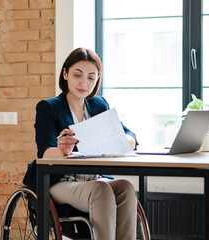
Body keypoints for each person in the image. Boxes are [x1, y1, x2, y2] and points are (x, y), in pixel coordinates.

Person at [23, 48, 138, 240]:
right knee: (101, 190)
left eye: (91, 78)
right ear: (66, 73)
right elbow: (45, 153)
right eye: (78, 75)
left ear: (97, 80)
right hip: (60, 181)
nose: (84, 83)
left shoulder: (99, 105)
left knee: (125, 187)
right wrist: (62, 150)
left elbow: (129, 134)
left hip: (93, 178)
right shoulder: (49, 107)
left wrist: (125, 141)